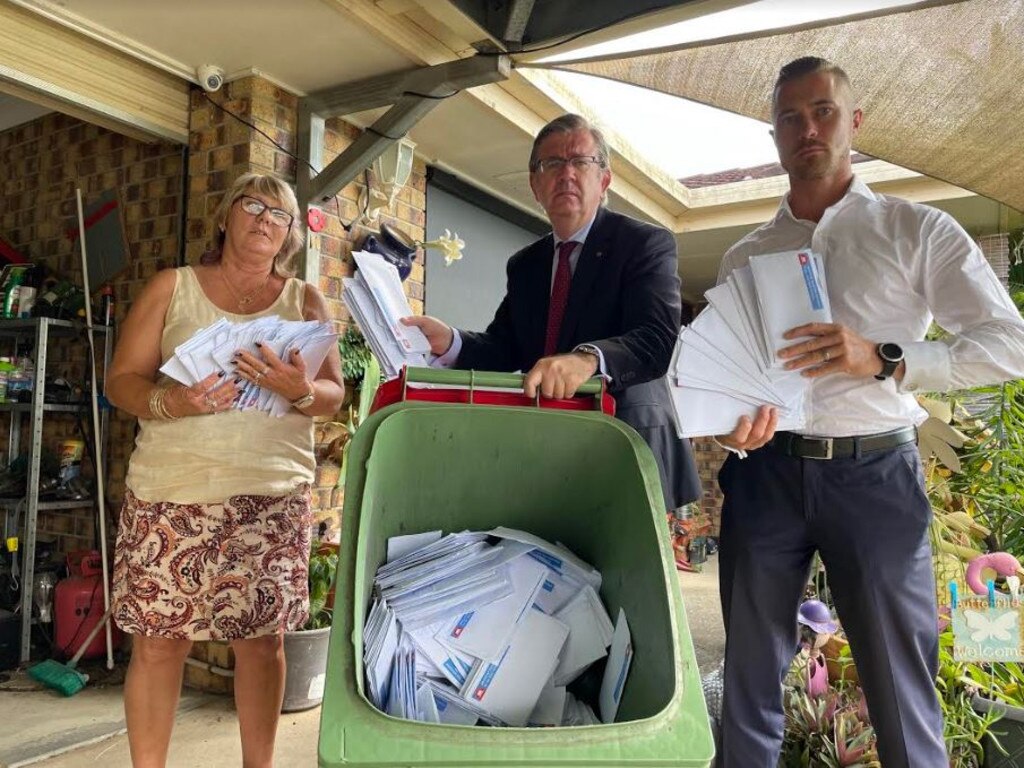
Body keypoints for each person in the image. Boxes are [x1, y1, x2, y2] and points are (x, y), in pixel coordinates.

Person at [715, 56, 1024, 767]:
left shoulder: (918, 233)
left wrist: (886, 358)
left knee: (899, 689)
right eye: (789, 116)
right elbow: (728, 380)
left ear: (854, 123)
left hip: (875, 475)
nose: (807, 128)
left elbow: (1009, 344)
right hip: (764, 478)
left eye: (822, 110)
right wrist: (730, 425)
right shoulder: (745, 255)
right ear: (774, 135)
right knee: (748, 689)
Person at [107, 172, 344, 768]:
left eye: (280, 214)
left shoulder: (305, 300)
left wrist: (300, 389)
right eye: (253, 205)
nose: (265, 219)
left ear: (289, 235)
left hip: (270, 494)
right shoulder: (173, 287)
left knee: (262, 645)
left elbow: (334, 394)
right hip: (172, 490)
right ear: (225, 217)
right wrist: (174, 402)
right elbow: (121, 381)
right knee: (160, 645)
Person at [403, 113, 700, 510]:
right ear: (535, 184)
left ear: (604, 180)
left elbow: (657, 340)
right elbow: (507, 347)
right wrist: (451, 341)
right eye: (552, 164)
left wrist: (589, 360)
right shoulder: (526, 264)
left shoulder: (644, 244)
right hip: (551, 447)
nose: (567, 174)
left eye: (581, 162)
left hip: (627, 443)